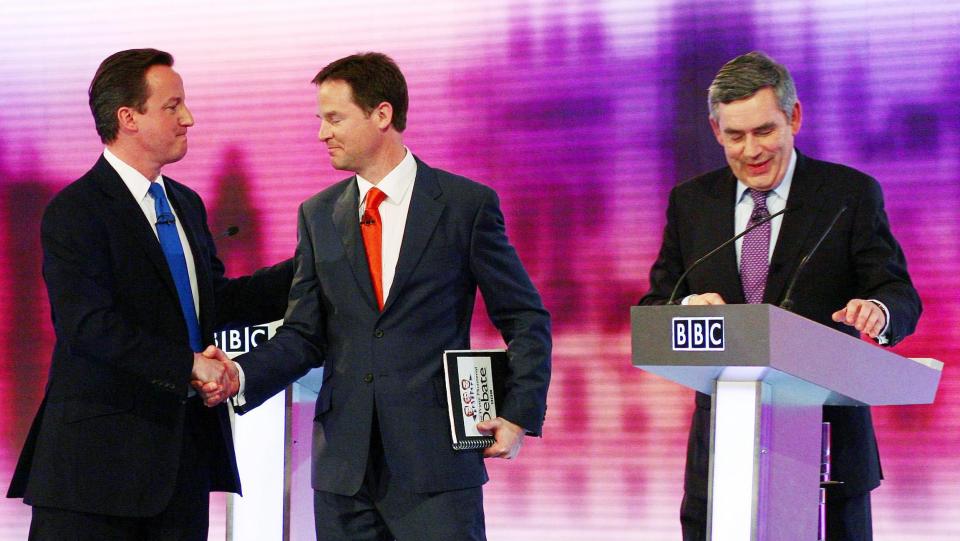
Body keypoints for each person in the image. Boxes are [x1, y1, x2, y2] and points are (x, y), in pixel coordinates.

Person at [199, 52, 551, 541]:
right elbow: (303, 334)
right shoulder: (319, 215)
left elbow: (525, 316)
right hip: (345, 469)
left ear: (382, 115)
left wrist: (517, 414)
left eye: (334, 118)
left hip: (436, 468)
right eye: (321, 120)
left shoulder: (465, 206)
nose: (322, 133)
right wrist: (239, 373)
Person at [6, 48, 294, 540]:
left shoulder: (184, 202)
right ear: (128, 118)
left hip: (181, 463)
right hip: (94, 474)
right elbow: (89, 326)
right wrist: (189, 365)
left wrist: (316, 265)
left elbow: (213, 303)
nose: (189, 118)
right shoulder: (76, 211)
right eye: (172, 105)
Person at [638, 51, 921, 541]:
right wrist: (685, 309)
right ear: (715, 131)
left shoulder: (847, 195)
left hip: (829, 454)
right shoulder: (691, 202)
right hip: (721, 457)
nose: (751, 150)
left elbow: (898, 292)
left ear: (793, 117)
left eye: (764, 131)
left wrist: (876, 309)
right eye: (735, 135)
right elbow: (656, 304)